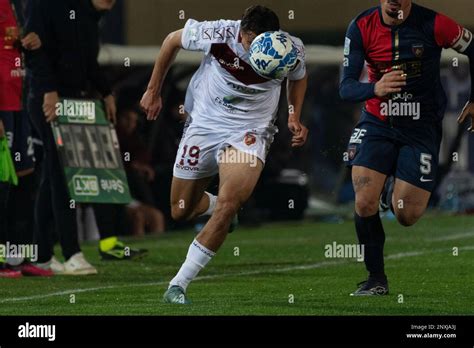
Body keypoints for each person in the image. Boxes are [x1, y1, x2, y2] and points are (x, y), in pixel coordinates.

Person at [141, 5, 309, 304]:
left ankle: (178, 285)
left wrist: (293, 115)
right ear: (242, 33)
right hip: (204, 125)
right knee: (181, 209)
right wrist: (154, 90)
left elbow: (298, 76)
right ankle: (218, 207)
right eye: (249, 43)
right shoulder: (218, 33)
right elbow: (171, 40)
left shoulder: (289, 48)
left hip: (249, 132)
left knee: (231, 203)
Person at [340, 0, 474, 295]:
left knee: (407, 215)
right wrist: (374, 89)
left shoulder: (436, 24)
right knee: (363, 200)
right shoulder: (360, 26)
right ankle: (376, 278)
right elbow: (346, 87)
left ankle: (391, 189)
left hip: (420, 127)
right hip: (377, 123)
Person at [0, 0, 50, 277]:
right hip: (2, 106)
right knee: (2, 183)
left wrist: (29, 41)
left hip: (19, 102)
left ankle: (18, 256)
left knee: (25, 178)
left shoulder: (20, 5)